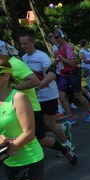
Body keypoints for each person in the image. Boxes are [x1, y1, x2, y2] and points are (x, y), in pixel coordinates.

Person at [17, 35, 77, 166]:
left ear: (32, 43)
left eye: (25, 43)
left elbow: (52, 74)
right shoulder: (24, 58)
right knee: (43, 125)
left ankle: (67, 145)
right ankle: (63, 127)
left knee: (49, 124)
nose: (22, 46)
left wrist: (37, 86)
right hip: (34, 98)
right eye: (21, 44)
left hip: (48, 95)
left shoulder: (41, 56)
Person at [51, 29, 90, 123]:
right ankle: (70, 117)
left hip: (72, 73)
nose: (55, 39)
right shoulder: (57, 48)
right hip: (63, 74)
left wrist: (60, 58)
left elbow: (71, 63)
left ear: (62, 36)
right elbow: (58, 60)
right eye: (53, 37)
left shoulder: (68, 47)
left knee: (78, 95)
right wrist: (56, 61)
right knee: (61, 96)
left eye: (56, 37)